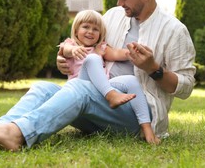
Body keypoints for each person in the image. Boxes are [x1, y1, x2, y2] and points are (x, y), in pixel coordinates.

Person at [0, 0, 195, 151]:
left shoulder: (173, 30)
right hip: (99, 100)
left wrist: (154, 69)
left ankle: (15, 135)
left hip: (139, 115)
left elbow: (185, 87)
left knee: (80, 91)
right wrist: (64, 60)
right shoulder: (113, 17)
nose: (119, 3)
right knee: (43, 88)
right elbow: (87, 50)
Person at [60, 9, 158, 142]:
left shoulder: (100, 48)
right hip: (80, 89)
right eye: (85, 27)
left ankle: (146, 128)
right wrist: (73, 50)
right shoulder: (71, 45)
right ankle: (112, 96)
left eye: (95, 29)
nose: (90, 31)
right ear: (76, 30)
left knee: (131, 80)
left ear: (100, 33)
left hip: (102, 88)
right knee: (92, 59)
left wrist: (131, 52)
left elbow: (117, 54)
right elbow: (64, 51)